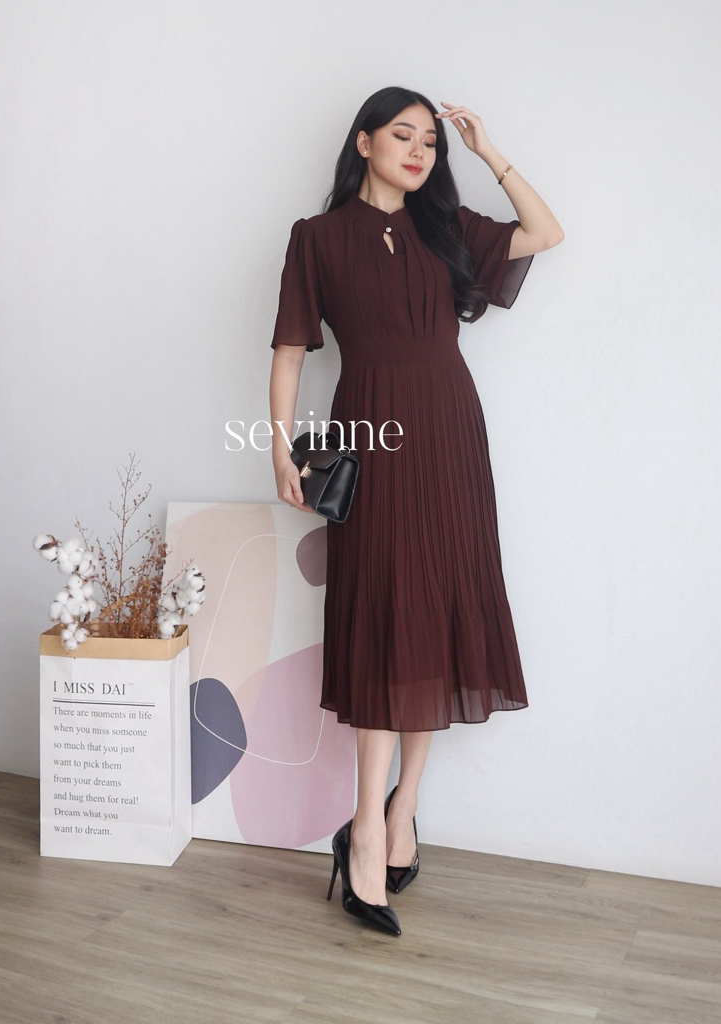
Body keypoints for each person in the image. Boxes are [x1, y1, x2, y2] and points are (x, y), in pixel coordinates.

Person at [268, 86, 564, 936]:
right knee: (385, 617)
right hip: (372, 433)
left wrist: (487, 150)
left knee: (434, 614)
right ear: (363, 142)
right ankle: (364, 830)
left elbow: (545, 232)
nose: (420, 150)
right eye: (403, 135)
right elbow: (290, 349)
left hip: (451, 435)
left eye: (430, 141)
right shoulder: (317, 238)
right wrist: (279, 449)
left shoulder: (447, 228)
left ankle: (402, 813)